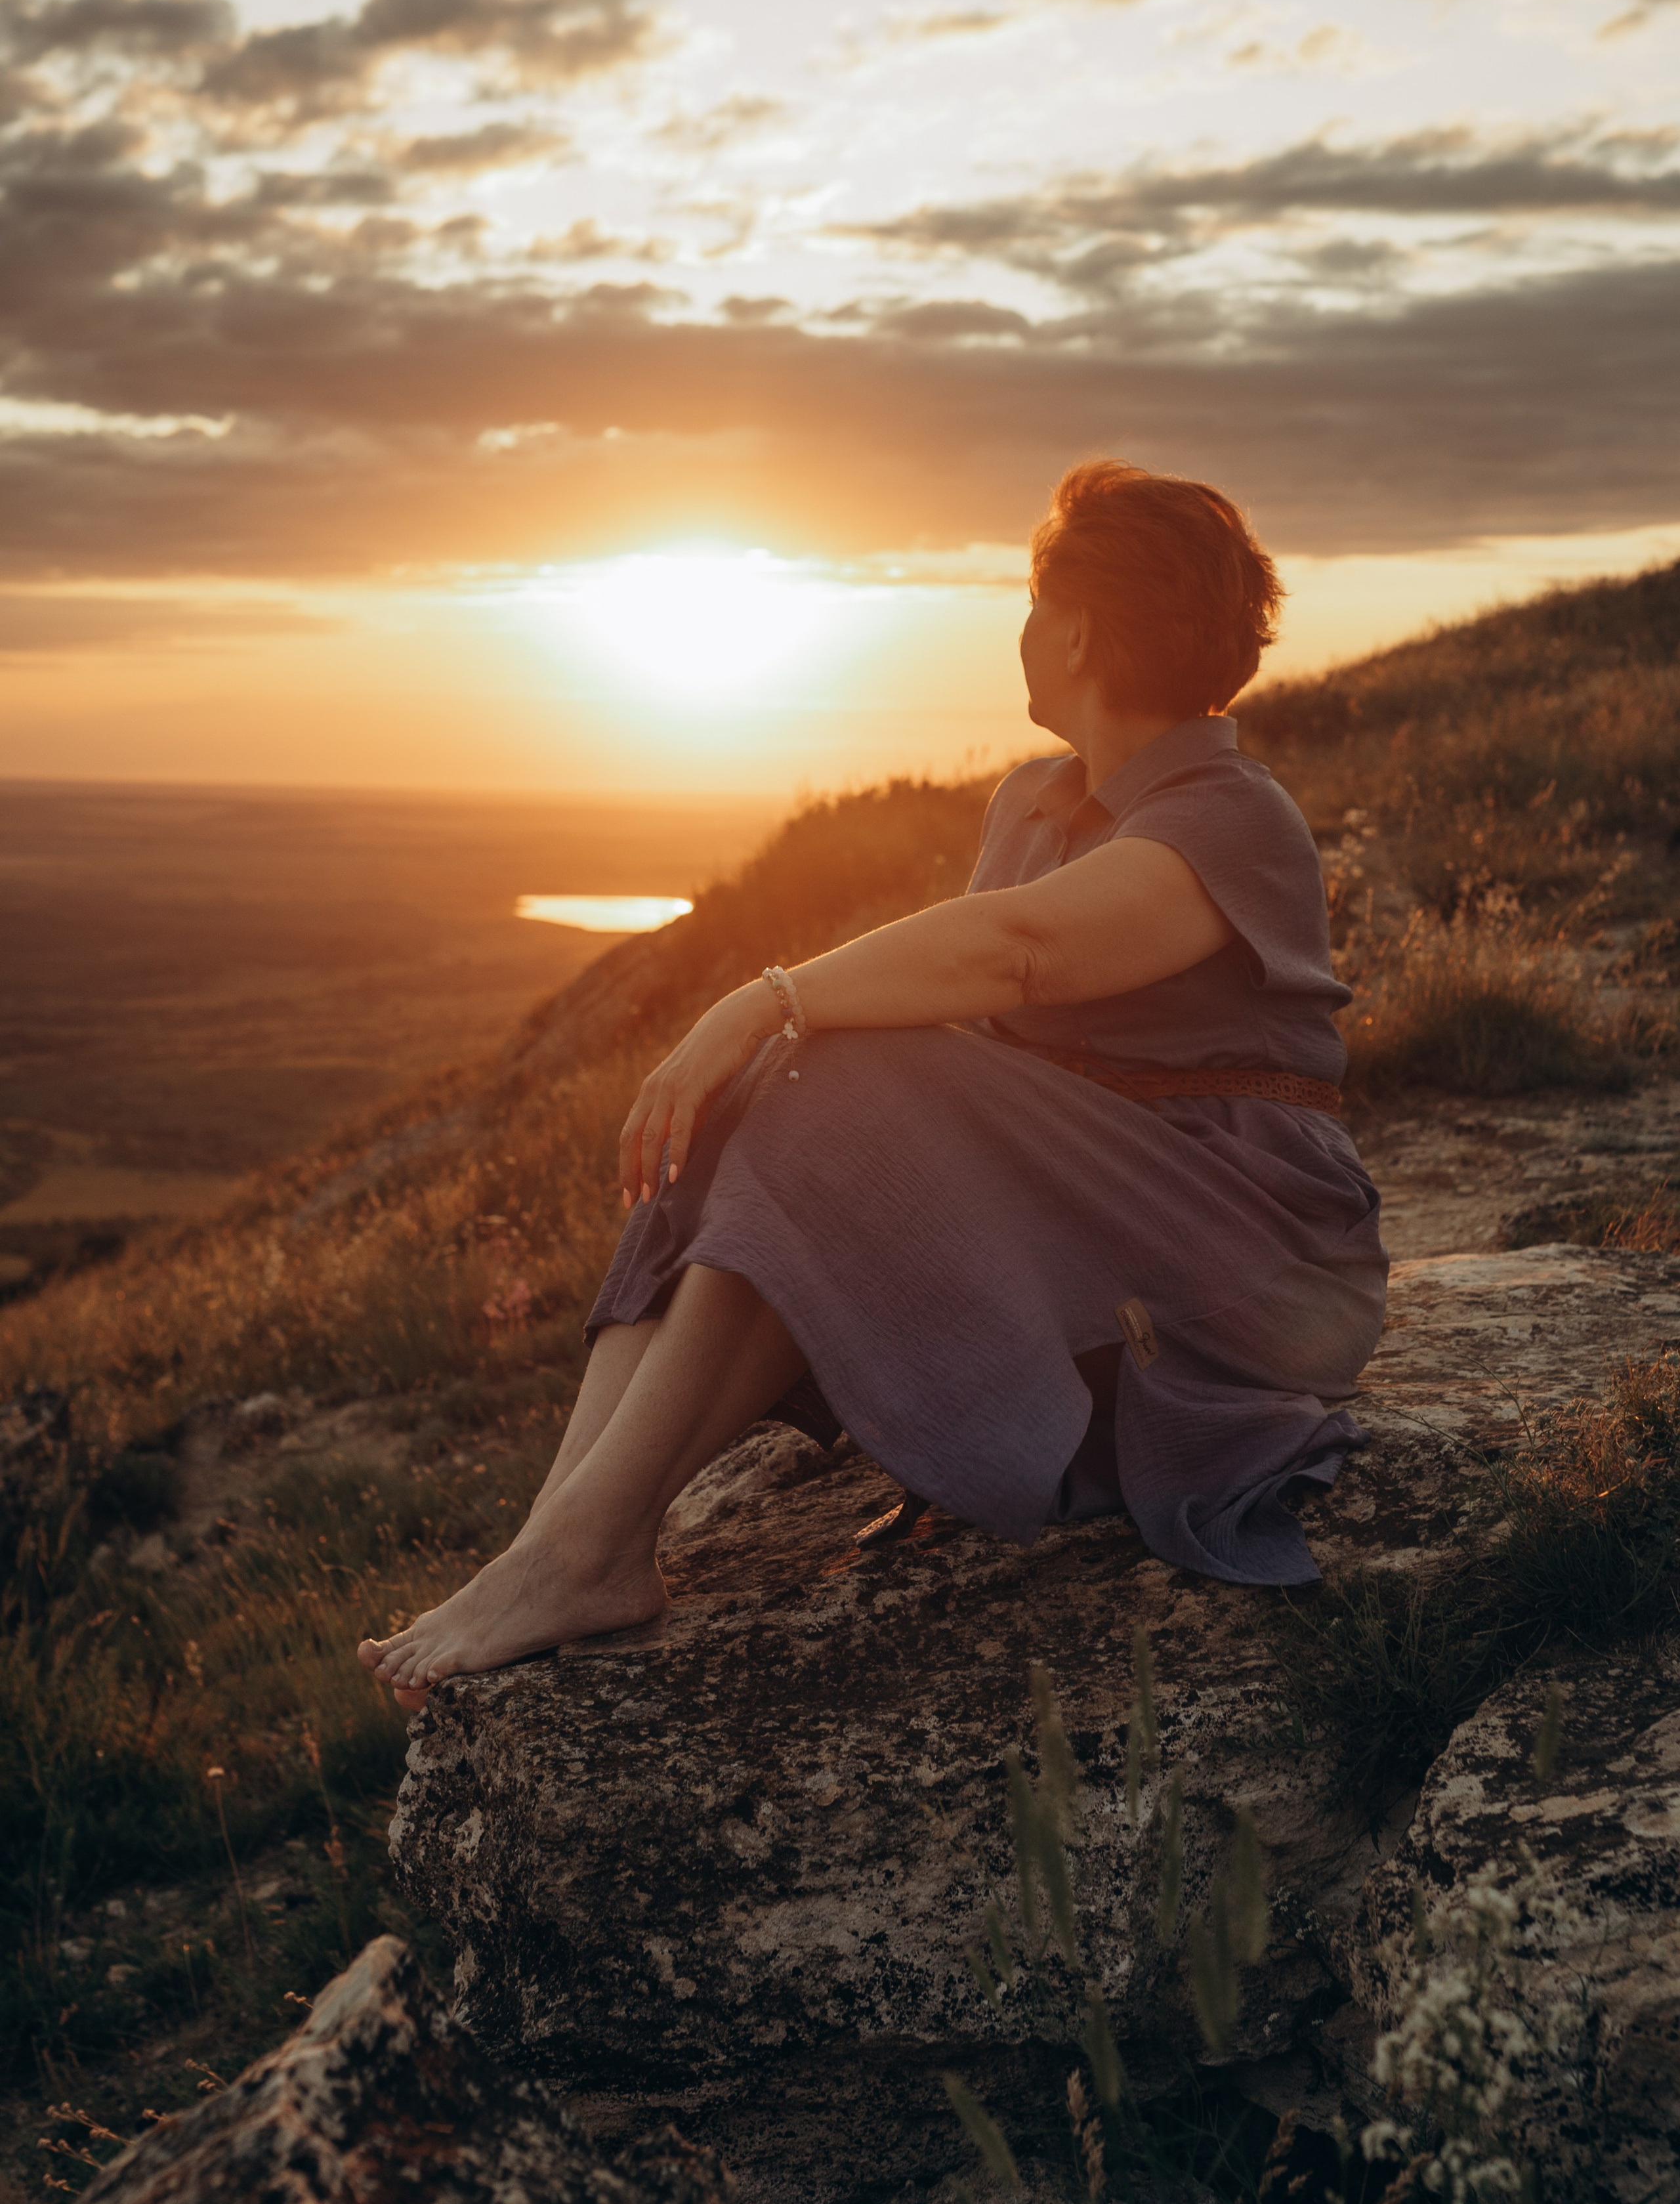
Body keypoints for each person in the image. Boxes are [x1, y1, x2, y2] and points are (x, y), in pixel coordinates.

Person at [360, 459, 1386, 1709]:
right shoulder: (1039, 801)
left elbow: (1021, 952)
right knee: (781, 1090)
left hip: (1249, 1260)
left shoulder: (1231, 814)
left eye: (1032, 597)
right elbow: (971, 1024)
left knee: (826, 1068)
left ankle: (580, 1549)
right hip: (1088, 1223)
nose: (1021, 627)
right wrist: (771, 1050)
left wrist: (760, 998)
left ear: (1075, 626)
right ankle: (564, 1543)